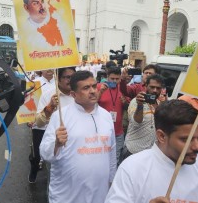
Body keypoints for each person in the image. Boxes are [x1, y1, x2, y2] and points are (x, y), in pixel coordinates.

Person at [40, 71, 116, 203]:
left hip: (99, 194)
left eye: (94, 86)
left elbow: (112, 152)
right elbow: (44, 153)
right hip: (68, 195)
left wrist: (112, 182)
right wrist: (56, 144)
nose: (92, 91)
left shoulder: (106, 116)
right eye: (86, 88)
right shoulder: (60, 117)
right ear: (73, 94)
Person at [120, 74, 165, 162]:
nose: (155, 90)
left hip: (151, 153)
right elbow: (136, 123)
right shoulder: (135, 102)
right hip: (134, 151)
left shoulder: (160, 104)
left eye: (158, 88)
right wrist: (140, 105)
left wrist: (164, 106)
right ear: (146, 86)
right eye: (152, 87)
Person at [28, 69, 56, 183]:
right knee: (37, 153)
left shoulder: (58, 83)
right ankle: (33, 170)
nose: (49, 70)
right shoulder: (35, 83)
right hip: (39, 124)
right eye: (47, 67)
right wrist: (29, 119)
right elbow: (29, 103)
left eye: (52, 67)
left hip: (54, 124)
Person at [97, 66, 126, 163]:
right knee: (102, 159)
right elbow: (91, 104)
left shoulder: (122, 89)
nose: (114, 81)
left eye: (117, 79)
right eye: (112, 78)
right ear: (107, 77)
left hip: (118, 133)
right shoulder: (99, 87)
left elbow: (128, 106)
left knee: (115, 159)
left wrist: (125, 102)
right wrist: (100, 92)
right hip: (102, 132)